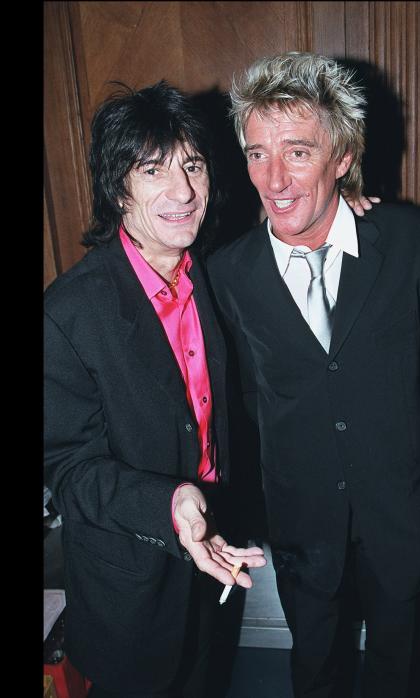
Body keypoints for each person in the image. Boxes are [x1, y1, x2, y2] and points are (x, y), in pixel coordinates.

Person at [206, 52, 420, 697]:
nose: (274, 178)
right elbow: (243, 405)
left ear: (343, 159)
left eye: (299, 151)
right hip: (301, 525)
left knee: (399, 667)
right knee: (314, 666)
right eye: (255, 153)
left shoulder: (417, 241)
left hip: (405, 516)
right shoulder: (228, 273)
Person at [43, 80, 269, 698]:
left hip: (215, 560)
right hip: (131, 587)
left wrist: (348, 201)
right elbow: (69, 470)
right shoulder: (69, 313)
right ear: (120, 188)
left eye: (192, 166)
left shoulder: (216, 273)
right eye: (154, 170)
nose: (184, 192)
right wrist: (165, 504)